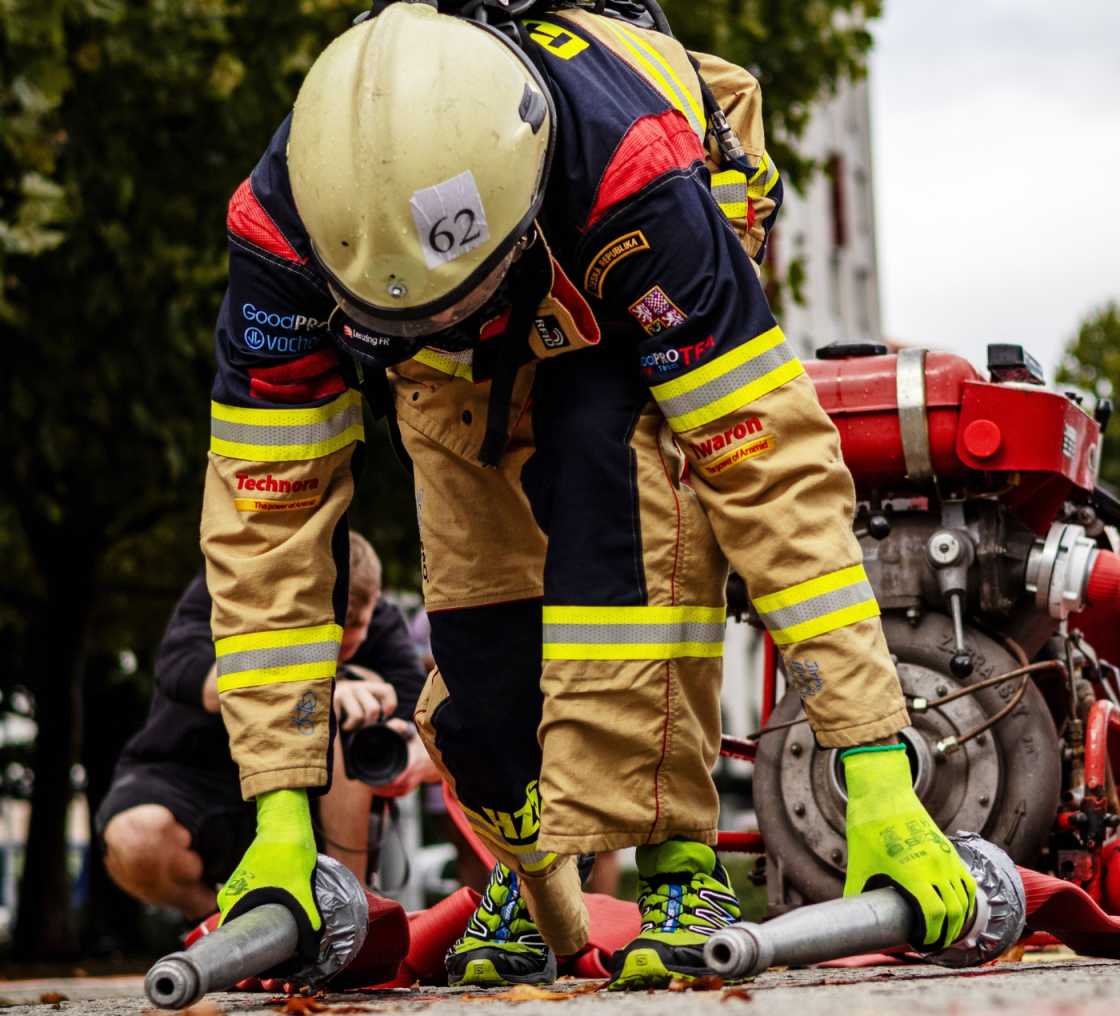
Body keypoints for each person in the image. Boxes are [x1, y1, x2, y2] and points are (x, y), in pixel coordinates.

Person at [198, 0, 975, 992]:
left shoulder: (633, 181)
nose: (455, 324)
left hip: (607, 301)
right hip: (443, 370)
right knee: (483, 656)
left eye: (462, 303)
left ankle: (680, 867)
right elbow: (265, 523)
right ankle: (530, 880)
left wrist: (874, 767)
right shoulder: (283, 234)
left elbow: (770, 475)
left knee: (623, 518)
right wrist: (278, 814)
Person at [98, 533, 436, 919]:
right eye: (323, 626)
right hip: (198, 778)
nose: (337, 640)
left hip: (316, 802)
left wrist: (404, 761)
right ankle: (221, 924)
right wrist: (315, 685)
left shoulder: (384, 623)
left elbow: (423, 726)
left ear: (375, 603)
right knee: (133, 839)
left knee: (355, 711)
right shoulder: (227, 589)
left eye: (353, 625)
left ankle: (347, 914)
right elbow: (189, 675)